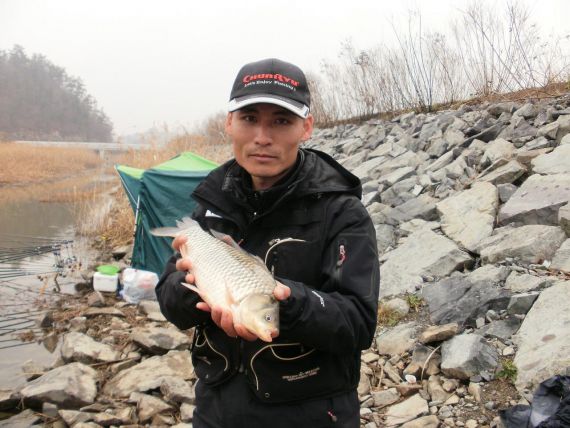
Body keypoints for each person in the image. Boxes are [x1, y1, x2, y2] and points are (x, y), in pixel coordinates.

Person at [155, 58, 380, 428]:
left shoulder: (342, 213)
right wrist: (191, 287)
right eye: (249, 119)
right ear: (229, 123)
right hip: (217, 411)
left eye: (281, 121)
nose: (262, 137)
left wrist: (283, 302)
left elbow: (358, 323)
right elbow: (171, 305)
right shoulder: (209, 207)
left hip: (312, 415)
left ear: (305, 127)